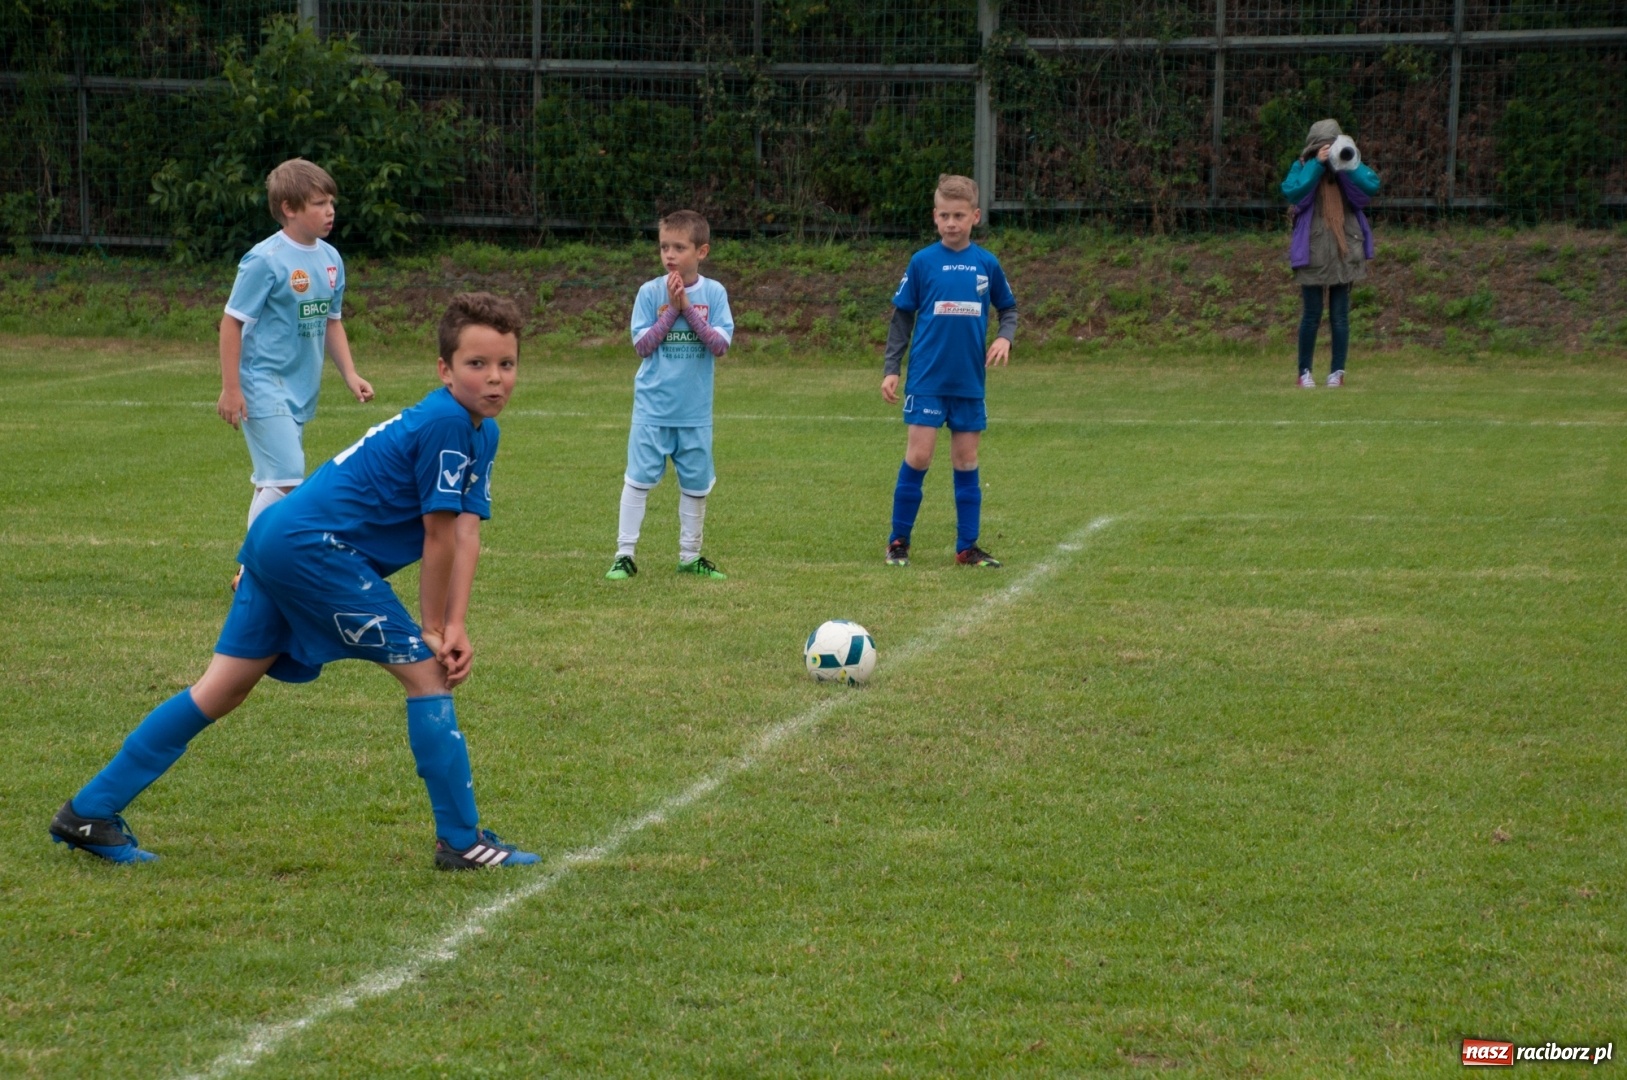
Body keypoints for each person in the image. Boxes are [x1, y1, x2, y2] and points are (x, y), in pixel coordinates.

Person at [49, 293, 540, 872]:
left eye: (505, 365)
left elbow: (465, 535)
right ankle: (460, 841)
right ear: (444, 370)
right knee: (428, 674)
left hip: (283, 542)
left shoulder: (480, 433)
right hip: (311, 551)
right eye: (476, 364)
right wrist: (434, 629)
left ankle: (89, 811)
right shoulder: (445, 424)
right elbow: (436, 538)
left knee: (222, 688)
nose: (494, 379)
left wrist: (455, 622)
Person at [220, 158, 374, 586]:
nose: (330, 212)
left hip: (300, 388)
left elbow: (331, 321)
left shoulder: (330, 260)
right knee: (288, 476)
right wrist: (231, 388)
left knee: (273, 481)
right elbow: (232, 322)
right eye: (319, 203)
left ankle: (252, 569)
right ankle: (253, 571)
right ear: (289, 208)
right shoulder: (264, 260)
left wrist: (350, 374)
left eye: (332, 203)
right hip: (261, 382)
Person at [881, 173, 1017, 568]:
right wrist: (892, 368)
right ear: (935, 218)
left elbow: (1009, 308)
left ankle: (967, 547)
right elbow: (902, 318)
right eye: (945, 215)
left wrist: (1004, 337)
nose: (952, 223)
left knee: (966, 460)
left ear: (975, 216)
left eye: (959, 215)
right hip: (926, 378)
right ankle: (898, 542)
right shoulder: (922, 262)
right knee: (919, 456)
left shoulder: (986, 264)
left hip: (969, 381)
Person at [605, 209, 734, 582]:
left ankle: (690, 555)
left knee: (695, 486)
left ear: (702, 251)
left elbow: (718, 345)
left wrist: (687, 309)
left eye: (679, 247)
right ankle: (624, 554)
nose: (670, 255)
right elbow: (643, 346)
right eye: (664, 247)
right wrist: (669, 312)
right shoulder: (649, 293)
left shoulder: (715, 293)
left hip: (694, 411)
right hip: (653, 409)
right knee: (638, 480)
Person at [1281, 119, 1381, 388]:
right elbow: (1292, 191)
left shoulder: (1348, 166)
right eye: (1322, 147)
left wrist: (1347, 164)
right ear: (1313, 148)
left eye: (1332, 146)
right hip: (1312, 250)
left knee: (1339, 315)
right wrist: (1316, 164)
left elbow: (1372, 186)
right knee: (1312, 314)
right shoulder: (1303, 166)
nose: (1328, 151)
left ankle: (1337, 372)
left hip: (1344, 248)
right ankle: (1305, 372)